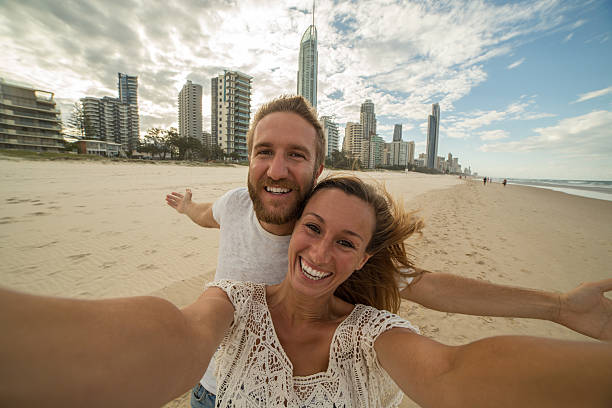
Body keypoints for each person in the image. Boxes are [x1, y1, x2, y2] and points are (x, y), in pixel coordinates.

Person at [1, 175, 612, 408]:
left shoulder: (370, 335)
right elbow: (177, 336)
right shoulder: (234, 299)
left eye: (345, 243)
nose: (320, 253)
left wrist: (559, 307)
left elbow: (453, 372)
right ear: (292, 226)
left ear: (365, 258)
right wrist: (187, 206)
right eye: (312, 229)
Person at [165, 95, 612, 407]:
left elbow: (427, 287)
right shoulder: (235, 202)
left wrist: (557, 306)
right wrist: (187, 208)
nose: (277, 169)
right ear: (250, 159)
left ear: (318, 168)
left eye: (296, 155)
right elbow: (208, 215)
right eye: (264, 151)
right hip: (213, 390)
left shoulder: (332, 232)